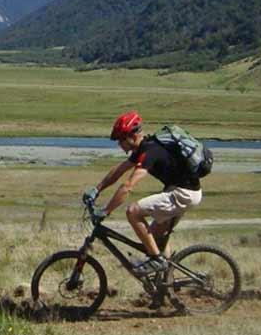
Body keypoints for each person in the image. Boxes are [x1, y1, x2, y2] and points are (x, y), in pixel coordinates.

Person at [84, 111, 203, 277]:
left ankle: (156, 259)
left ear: (131, 136)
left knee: (133, 211)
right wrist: (96, 190)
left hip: (183, 193)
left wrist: (106, 211)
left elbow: (128, 186)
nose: (119, 144)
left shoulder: (150, 151)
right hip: (179, 191)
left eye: (120, 139)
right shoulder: (143, 148)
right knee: (153, 238)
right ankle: (165, 284)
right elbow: (119, 171)